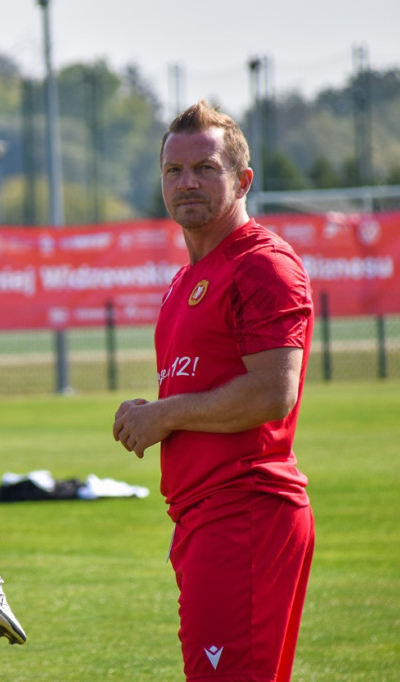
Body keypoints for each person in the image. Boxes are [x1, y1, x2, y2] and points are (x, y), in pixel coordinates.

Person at [112, 101, 316, 681]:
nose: (187, 182)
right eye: (173, 171)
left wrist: (167, 416)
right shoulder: (185, 279)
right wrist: (152, 413)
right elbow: (207, 386)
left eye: (205, 168)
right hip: (203, 519)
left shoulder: (262, 264)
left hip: (247, 512)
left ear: (243, 179)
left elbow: (272, 393)